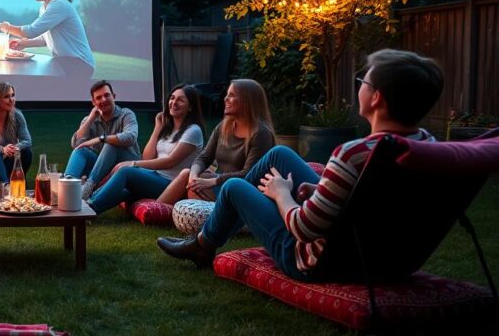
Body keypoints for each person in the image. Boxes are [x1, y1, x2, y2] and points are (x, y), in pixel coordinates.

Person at [157, 49, 443, 281]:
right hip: (384, 257)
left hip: (318, 260)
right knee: (279, 155)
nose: (359, 88)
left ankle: (204, 245)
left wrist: (282, 194)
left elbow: (305, 229)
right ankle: (206, 238)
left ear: (376, 97)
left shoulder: (353, 154)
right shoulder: (428, 147)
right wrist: (318, 193)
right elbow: (365, 200)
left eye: (363, 83)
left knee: (234, 187)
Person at [155, 78, 276, 206]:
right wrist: (194, 175)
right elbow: (204, 157)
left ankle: (164, 209)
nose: (225, 99)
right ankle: (159, 209)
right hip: (219, 183)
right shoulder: (224, 127)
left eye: (232, 95)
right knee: (188, 175)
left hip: (241, 192)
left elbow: (249, 174)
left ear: (247, 101)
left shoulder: (261, 134)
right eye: (227, 95)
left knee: (195, 188)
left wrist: (212, 181)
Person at [87, 84, 205, 214]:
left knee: (125, 172)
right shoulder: (168, 129)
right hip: (155, 177)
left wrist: (133, 163)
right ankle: (90, 203)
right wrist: (158, 127)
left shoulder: (193, 131)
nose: (174, 103)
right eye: (172, 98)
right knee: (126, 192)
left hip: (170, 184)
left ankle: (89, 209)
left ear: (190, 107)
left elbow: (170, 161)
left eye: (180, 100)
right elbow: (147, 157)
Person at [0, 0, 94, 78]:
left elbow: (31, 31)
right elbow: (45, 38)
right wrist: (23, 43)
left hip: (79, 64)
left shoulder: (59, 4)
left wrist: (7, 27)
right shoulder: (45, 7)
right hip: (66, 62)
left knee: (33, 73)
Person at [65, 80, 140, 200]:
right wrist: (90, 119)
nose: (103, 100)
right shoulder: (90, 120)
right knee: (81, 151)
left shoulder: (126, 114)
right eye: (98, 98)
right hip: (102, 166)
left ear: (114, 96)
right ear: (94, 102)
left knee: (111, 144)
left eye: (107, 95)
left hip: (128, 164)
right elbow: (76, 144)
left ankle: (88, 189)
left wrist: (101, 139)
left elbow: (130, 138)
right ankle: (68, 186)